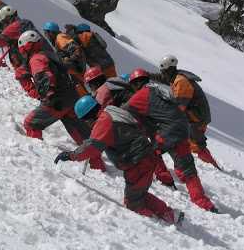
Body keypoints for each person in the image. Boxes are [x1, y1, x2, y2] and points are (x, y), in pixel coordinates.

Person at [54, 95, 183, 225]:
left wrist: (71, 155)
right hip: (141, 158)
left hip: (138, 161)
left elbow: (92, 147)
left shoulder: (104, 122)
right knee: (138, 194)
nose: (86, 124)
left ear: (88, 116)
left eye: (85, 120)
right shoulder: (111, 112)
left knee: (133, 204)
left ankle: (157, 226)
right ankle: (171, 215)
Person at [125, 69, 218, 212]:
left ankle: (162, 181)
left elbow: (124, 113)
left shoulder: (140, 96)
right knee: (187, 166)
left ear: (135, 84)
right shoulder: (160, 89)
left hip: (166, 132)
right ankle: (203, 202)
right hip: (182, 128)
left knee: (150, 155)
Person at [17, 31, 106, 172]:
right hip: (72, 96)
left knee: (31, 123)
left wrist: (50, 96)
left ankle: (35, 159)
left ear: (26, 47)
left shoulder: (36, 59)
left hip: (57, 99)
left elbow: (44, 77)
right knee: (81, 134)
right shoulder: (49, 54)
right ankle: (98, 166)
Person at [146, 55, 219, 168]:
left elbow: (179, 108)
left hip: (197, 119)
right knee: (190, 142)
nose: (163, 73)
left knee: (197, 145)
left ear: (169, 69)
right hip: (193, 116)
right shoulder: (175, 76)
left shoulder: (181, 82)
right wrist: (147, 75)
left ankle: (214, 166)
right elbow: (162, 78)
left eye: (164, 71)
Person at [0, 6, 42, 98]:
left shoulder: (15, 26)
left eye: (3, 23)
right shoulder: (24, 24)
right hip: (35, 57)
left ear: (7, 19)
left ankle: (42, 98)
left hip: (29, 59)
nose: (4, 26)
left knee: (21, 74)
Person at [43, 21, 88, 96]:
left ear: (51, 32)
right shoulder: (59, 38)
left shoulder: (60, 37)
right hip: (74, 70)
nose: (46, 35)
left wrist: (70, 61)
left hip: (74, 70)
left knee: (80, 91)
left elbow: (76, 50)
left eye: (46, 33)